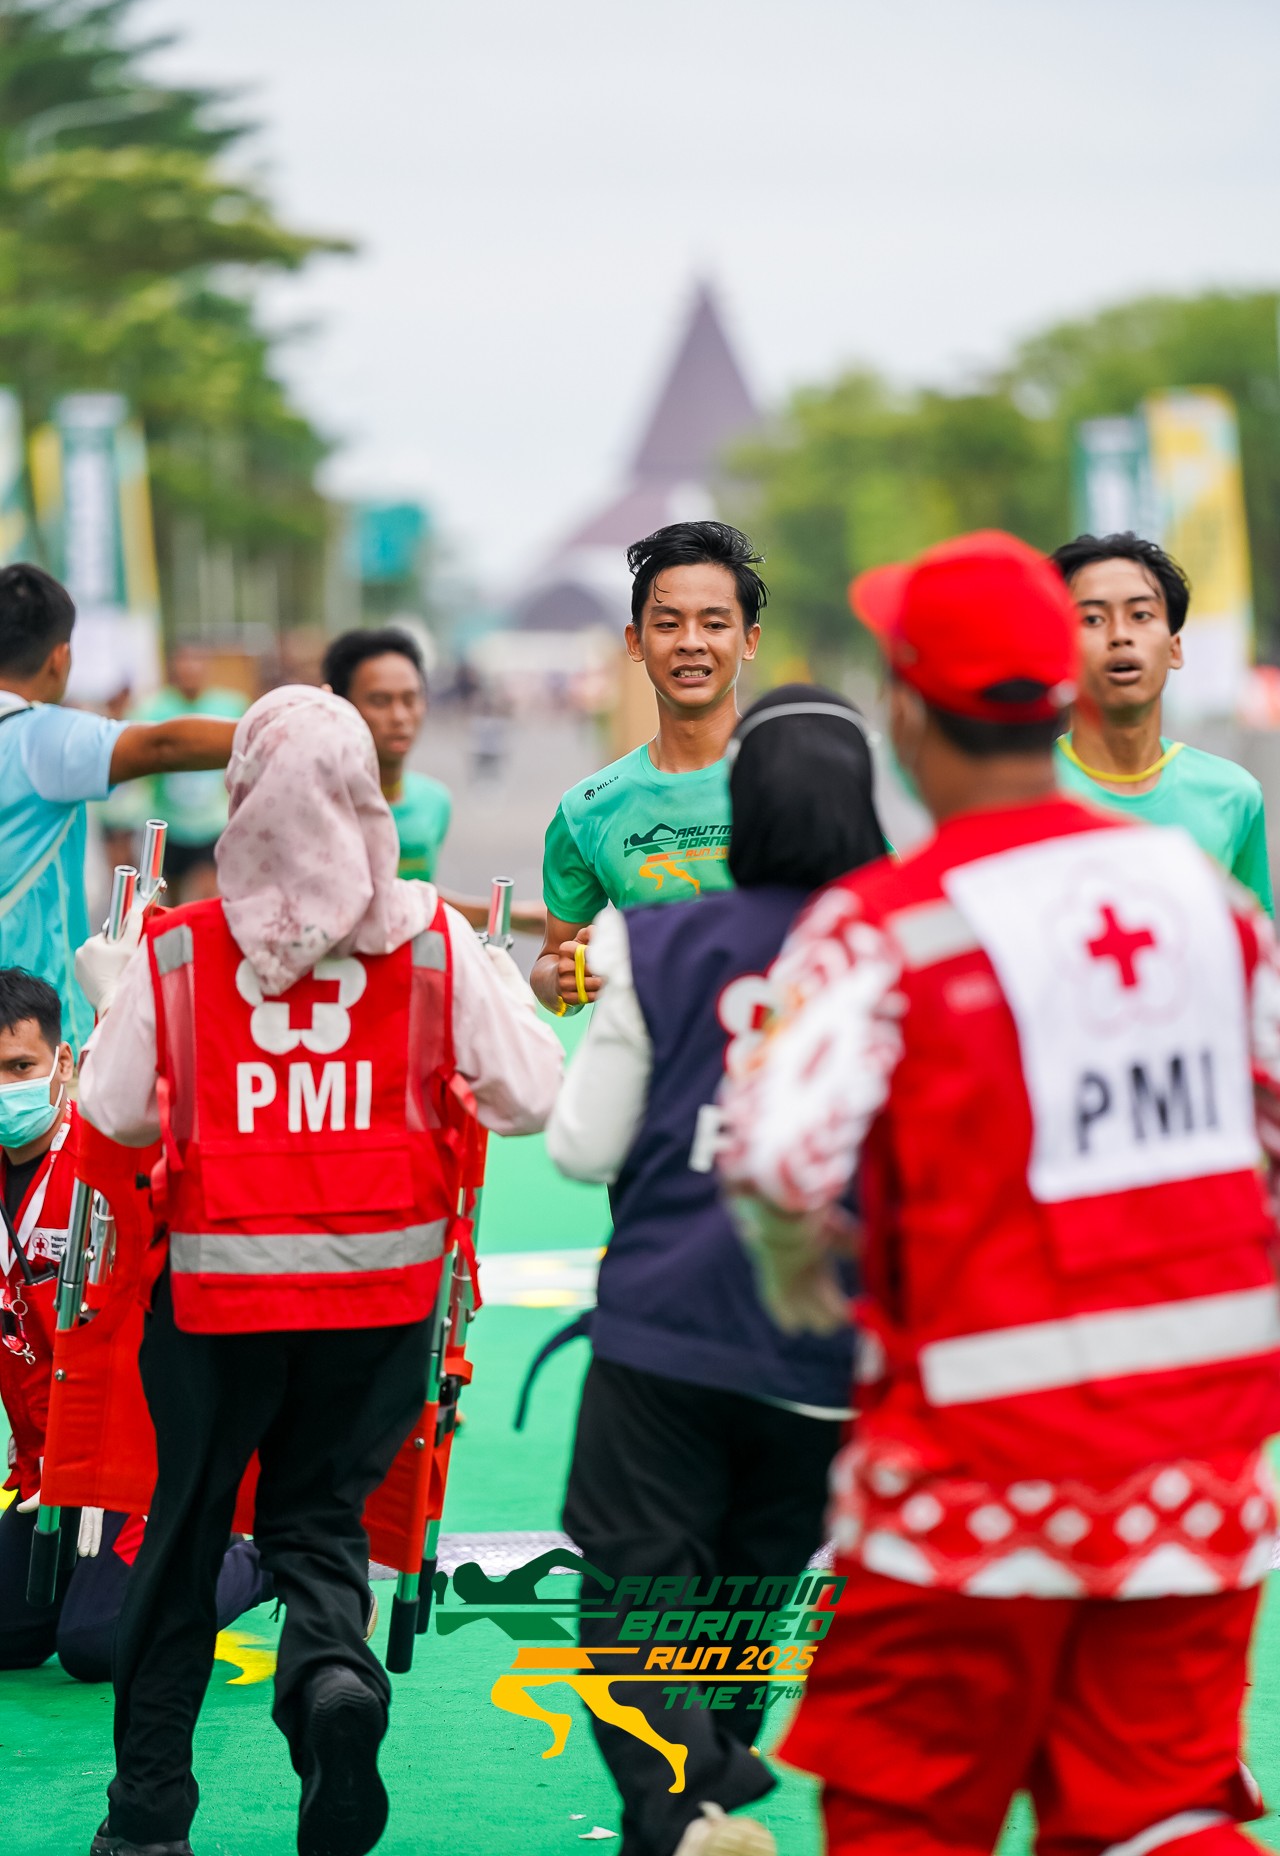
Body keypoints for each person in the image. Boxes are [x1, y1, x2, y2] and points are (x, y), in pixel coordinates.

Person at [721, 529, 1280, 1856]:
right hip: (1197, 1463)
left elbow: (777, 1158)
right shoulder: (1203, 898)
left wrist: (798, 1274)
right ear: (1058, 689)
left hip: (969, 1473)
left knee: (906, 1811)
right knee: (1160, 1812)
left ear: (907, 710)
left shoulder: (881, 923)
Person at [74, 687, 564, 1856]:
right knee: (320, 1519)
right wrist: (492, 992)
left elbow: (113, 1112)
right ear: (366, 800)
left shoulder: (180, 949)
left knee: (185, 1536)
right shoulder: (434, 941)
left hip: (216, 1302)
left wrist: (116, 996)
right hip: (379, 1301)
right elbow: (529, 1097)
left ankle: (149, 1812)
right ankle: (334, 1679)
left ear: (241, 796)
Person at [545, 685, 885, 1856]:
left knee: (633, 1589)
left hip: (667, 1323)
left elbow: (579, 1145)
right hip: (826, 1343)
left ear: (739, 803)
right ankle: (698, 1803)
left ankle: (682, 1805)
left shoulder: (656, 939)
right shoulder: (906, 950)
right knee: (749, 1597)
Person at [0, 968, 271, 1683]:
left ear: (64, 1061)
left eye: (19, 1067)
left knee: (98, 1644)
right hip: (47, 1470)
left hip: (139, 1456)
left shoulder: (111, 1163)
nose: (4, 1089)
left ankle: (272, 1554)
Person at [0, 566, 239, 1051]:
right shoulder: (42, 735)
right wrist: (293, 723)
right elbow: (162, 747)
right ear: (59, 657)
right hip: (34, 1033)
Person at [532, 521, 766, 1014]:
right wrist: (563, 978)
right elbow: (552, 959)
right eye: (667, 624)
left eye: (715, 624)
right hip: (644, 1055)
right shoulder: (587, 808)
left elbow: (877, 913)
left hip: (769, 1052)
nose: (691, 642)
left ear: (749, 640)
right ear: (635, 641)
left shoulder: (796, 780)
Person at [1052, 530, 1273, 914]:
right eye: (1092, 619)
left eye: (1141, 615)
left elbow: (1252, 938)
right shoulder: (1021, 794)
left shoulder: (1234, 795)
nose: (1120, 636)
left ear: (1174, 648)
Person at [323, 626, 543, 934]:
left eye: (410, 698)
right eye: (380, 700)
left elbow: (414, 901)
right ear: (337, 704)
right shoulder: (320, 806)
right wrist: (510, 915)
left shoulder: (433, 801)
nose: (399, 716)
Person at [134, 644, 250, 905]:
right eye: (184, 663)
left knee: (207, 893)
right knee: (171, 897)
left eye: (196, 662)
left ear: (206, 667)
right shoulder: (154, 709)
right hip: (168, 823)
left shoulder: (230, 707)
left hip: (211, 823)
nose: (190, 670)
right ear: (174, 668)